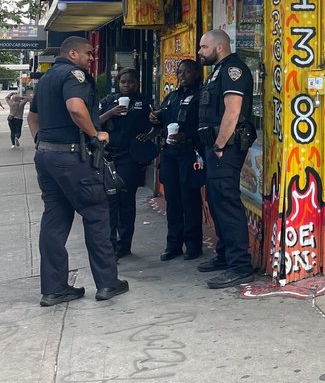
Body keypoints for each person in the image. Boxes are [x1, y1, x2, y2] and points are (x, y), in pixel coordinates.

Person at [27, 36, 128, 306]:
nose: (91, 57)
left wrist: (41, 141)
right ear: (72, 53)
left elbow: (32, 116)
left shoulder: (47, 78)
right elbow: (75, 107)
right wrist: (96, 134)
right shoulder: (75, 75)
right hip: (72, 157)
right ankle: (107, 283)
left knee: (54, 220)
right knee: (96, 215)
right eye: (88, 53)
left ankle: (54, 288)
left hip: (46, 157)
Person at [196, 29, 255, 289]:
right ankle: (224, 255)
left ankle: (240, 266)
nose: (199, 52)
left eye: (203, 47)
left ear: (219, 47)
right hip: (215, 147)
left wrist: (220, 146)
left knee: (227, 203)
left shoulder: (234, 70)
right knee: (217, 201)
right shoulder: (217, 71)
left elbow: (232, 112)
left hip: (226, 147)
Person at [150, 59, 204, 261]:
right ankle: (173, 245)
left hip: (189, 153)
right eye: (179, 72)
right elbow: (161, 119)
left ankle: (193, 245)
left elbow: (205, 126)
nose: (182, 75)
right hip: (170, 154)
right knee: (172, 200)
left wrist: (187, 136)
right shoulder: (171, 97)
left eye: (187, 72)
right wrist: (155, 118)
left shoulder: (201, 96)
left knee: (189, 200)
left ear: (196, 73)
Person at [99, 68, 153, 259]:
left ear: (137, 83)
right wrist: (111, 113)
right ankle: (110, 244)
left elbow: (155, 126)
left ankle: (124, 245)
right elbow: (94, 123)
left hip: (130, 157)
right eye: (123, 82)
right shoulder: (108, 102)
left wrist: (149, 133)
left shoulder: (144, 102)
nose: (127, 85)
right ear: (118, 83)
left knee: (126, 201)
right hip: (109, 156)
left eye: (131, 82)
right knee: (108, 202)